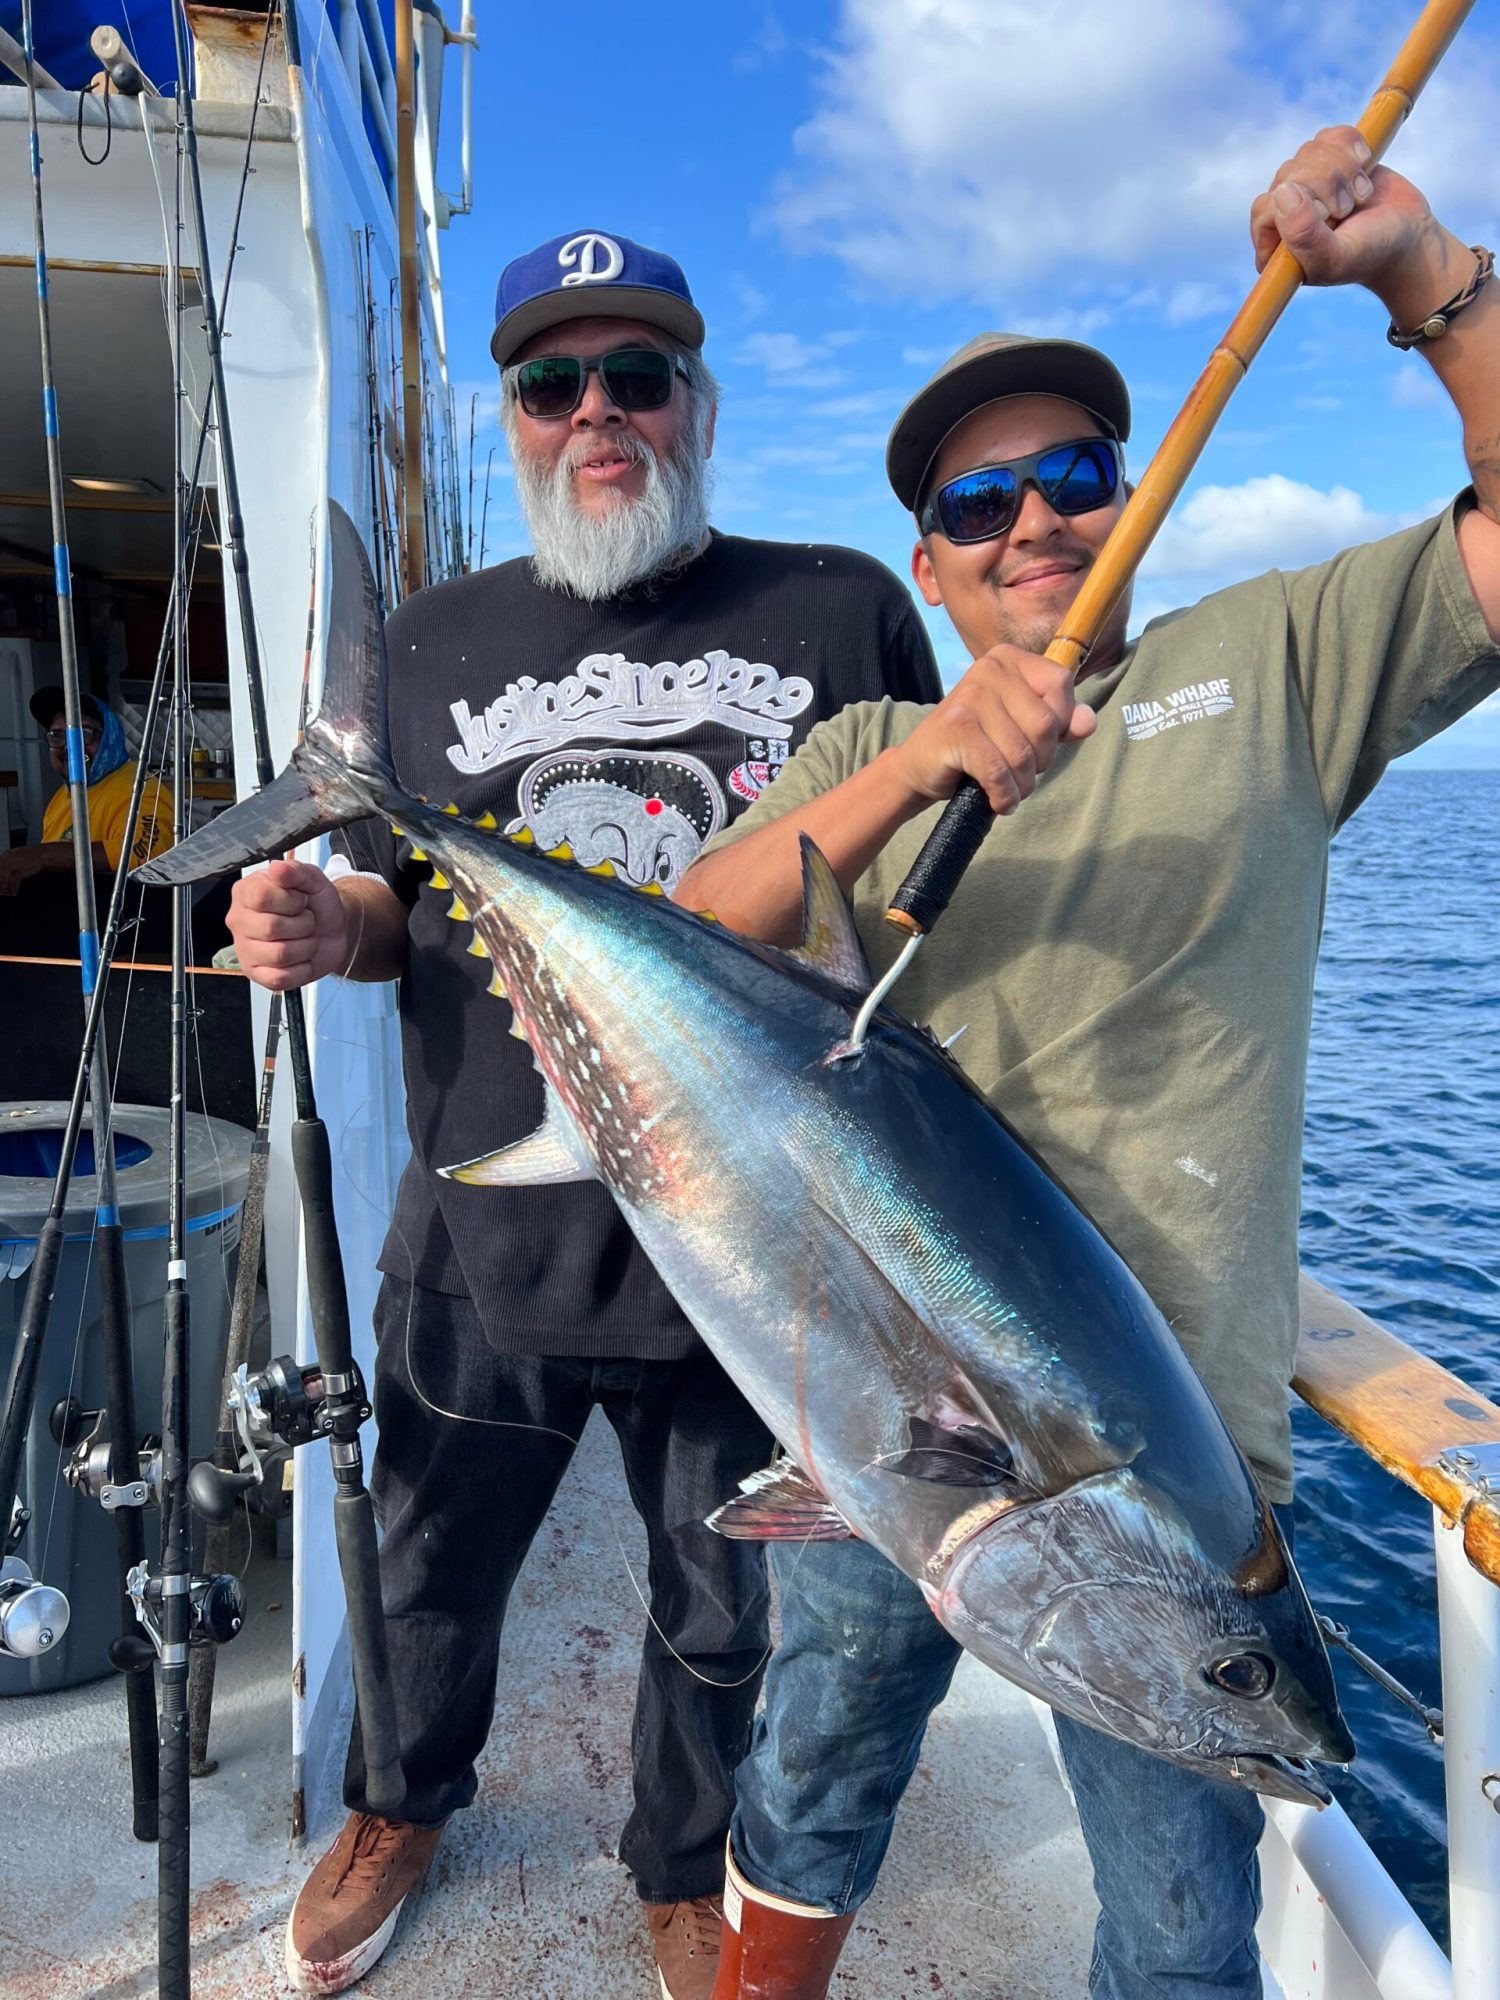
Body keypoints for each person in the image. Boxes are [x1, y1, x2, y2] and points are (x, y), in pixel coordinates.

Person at [677, 128, 1500, 1999]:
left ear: (1132, 495)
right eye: (983, 506)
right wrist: (927, 763)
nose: (1036, 522)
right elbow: (703, 942)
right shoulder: (865, 745)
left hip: (1163, 1463)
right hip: (880, 1408)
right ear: (930, 563)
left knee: (1192, 1924)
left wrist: (1421, 272)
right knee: (809, 1779)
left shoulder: (1277, 663)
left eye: (1073, 479)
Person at [223, 230, 940, 1999]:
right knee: (427, 1561)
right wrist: (332, 921)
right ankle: (401, 1804)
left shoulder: (840, 603)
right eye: (554, 384)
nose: (597, 412)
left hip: (750, 1234)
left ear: (697, 403)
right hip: (489, 1209)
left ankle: (679, 1860)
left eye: (638, 377)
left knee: (721, 1607)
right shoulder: (430, 638)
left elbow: (922, 903)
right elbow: (406, 904)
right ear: (517, 417)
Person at [0, 688, 171, 902]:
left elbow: (147, 855)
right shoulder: (62, 797)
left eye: (84, 734)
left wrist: (41, 855)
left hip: (119, 926)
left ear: (110, 736)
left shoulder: (140, 786)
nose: (70, 746)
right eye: (57, 736)